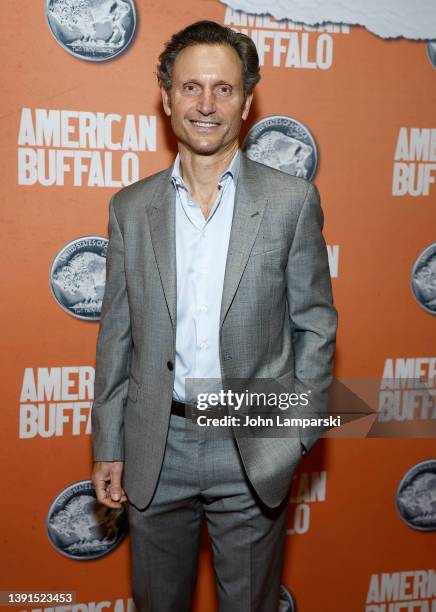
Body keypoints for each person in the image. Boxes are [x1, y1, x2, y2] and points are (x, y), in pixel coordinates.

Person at [91, 20, 337, 612]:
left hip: (253, 441)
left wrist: (293, 434)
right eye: (191, 87)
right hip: (157, 445)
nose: (206, 104)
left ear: (248, 101)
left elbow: (316, 327)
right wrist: (108, 442)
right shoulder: (130, 208)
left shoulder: (290, 202)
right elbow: (116, 336)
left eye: (224, 89)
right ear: (167, 96)